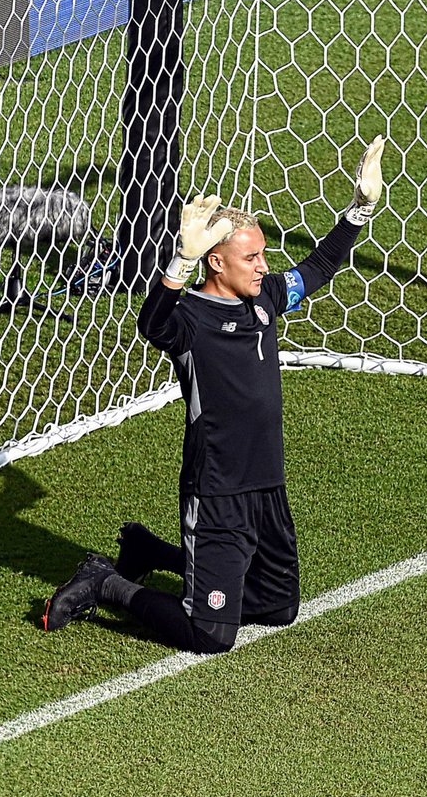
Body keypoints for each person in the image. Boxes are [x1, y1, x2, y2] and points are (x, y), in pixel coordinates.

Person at [42, 136, 385, 653]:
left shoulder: (264, 299)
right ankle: (106, 581)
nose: (264, 266)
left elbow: (316, 269)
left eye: (263, 254)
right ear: (217, 264)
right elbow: (150, 324)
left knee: (277, 606)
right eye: (251, 257)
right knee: (210, 634)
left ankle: (150, 550)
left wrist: (359, 210)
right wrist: (180, 261)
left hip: (267, 483)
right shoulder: (189, 321)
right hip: (218, 489)